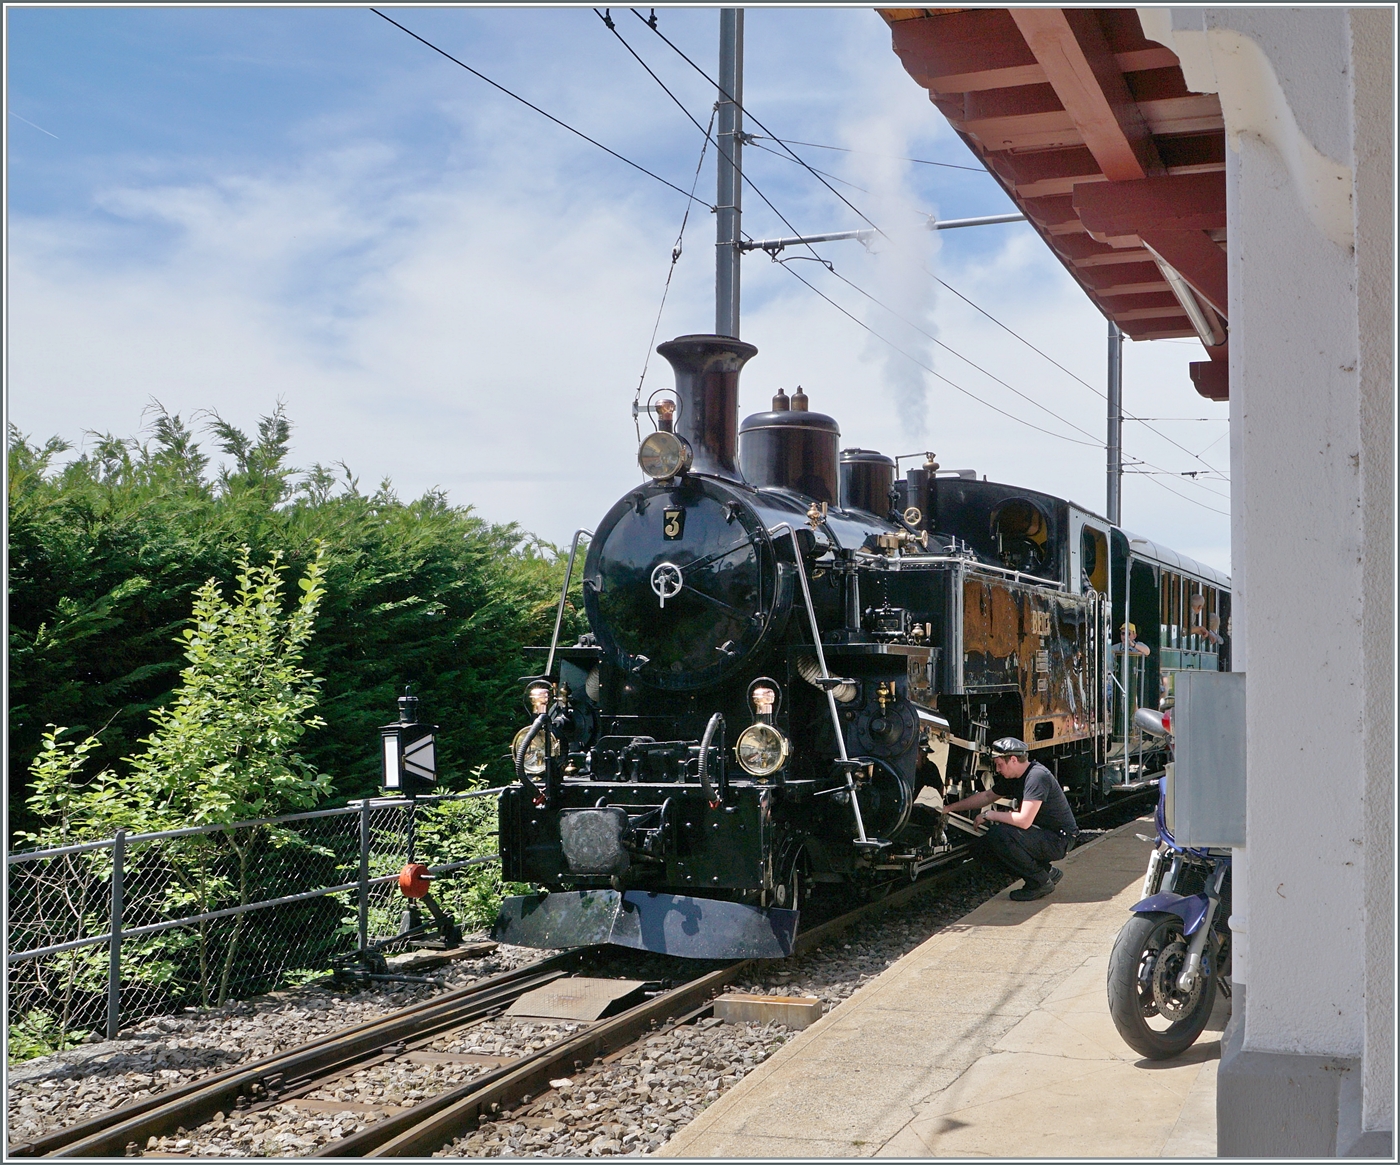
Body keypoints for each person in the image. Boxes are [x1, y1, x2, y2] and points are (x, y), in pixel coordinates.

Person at [942, 737, 1079, 901]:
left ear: (1013, 760)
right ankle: (1047, 872)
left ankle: (1040, 882)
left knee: (1000, 835)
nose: (998, 770)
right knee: (982, 847)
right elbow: (986, 796)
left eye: (1000, 764)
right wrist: (949, 808)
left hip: (1059, 839)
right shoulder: (1014, 778)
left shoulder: (1037, 776)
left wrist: (990, 815)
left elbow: (1024, 820)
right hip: (1043, 835)